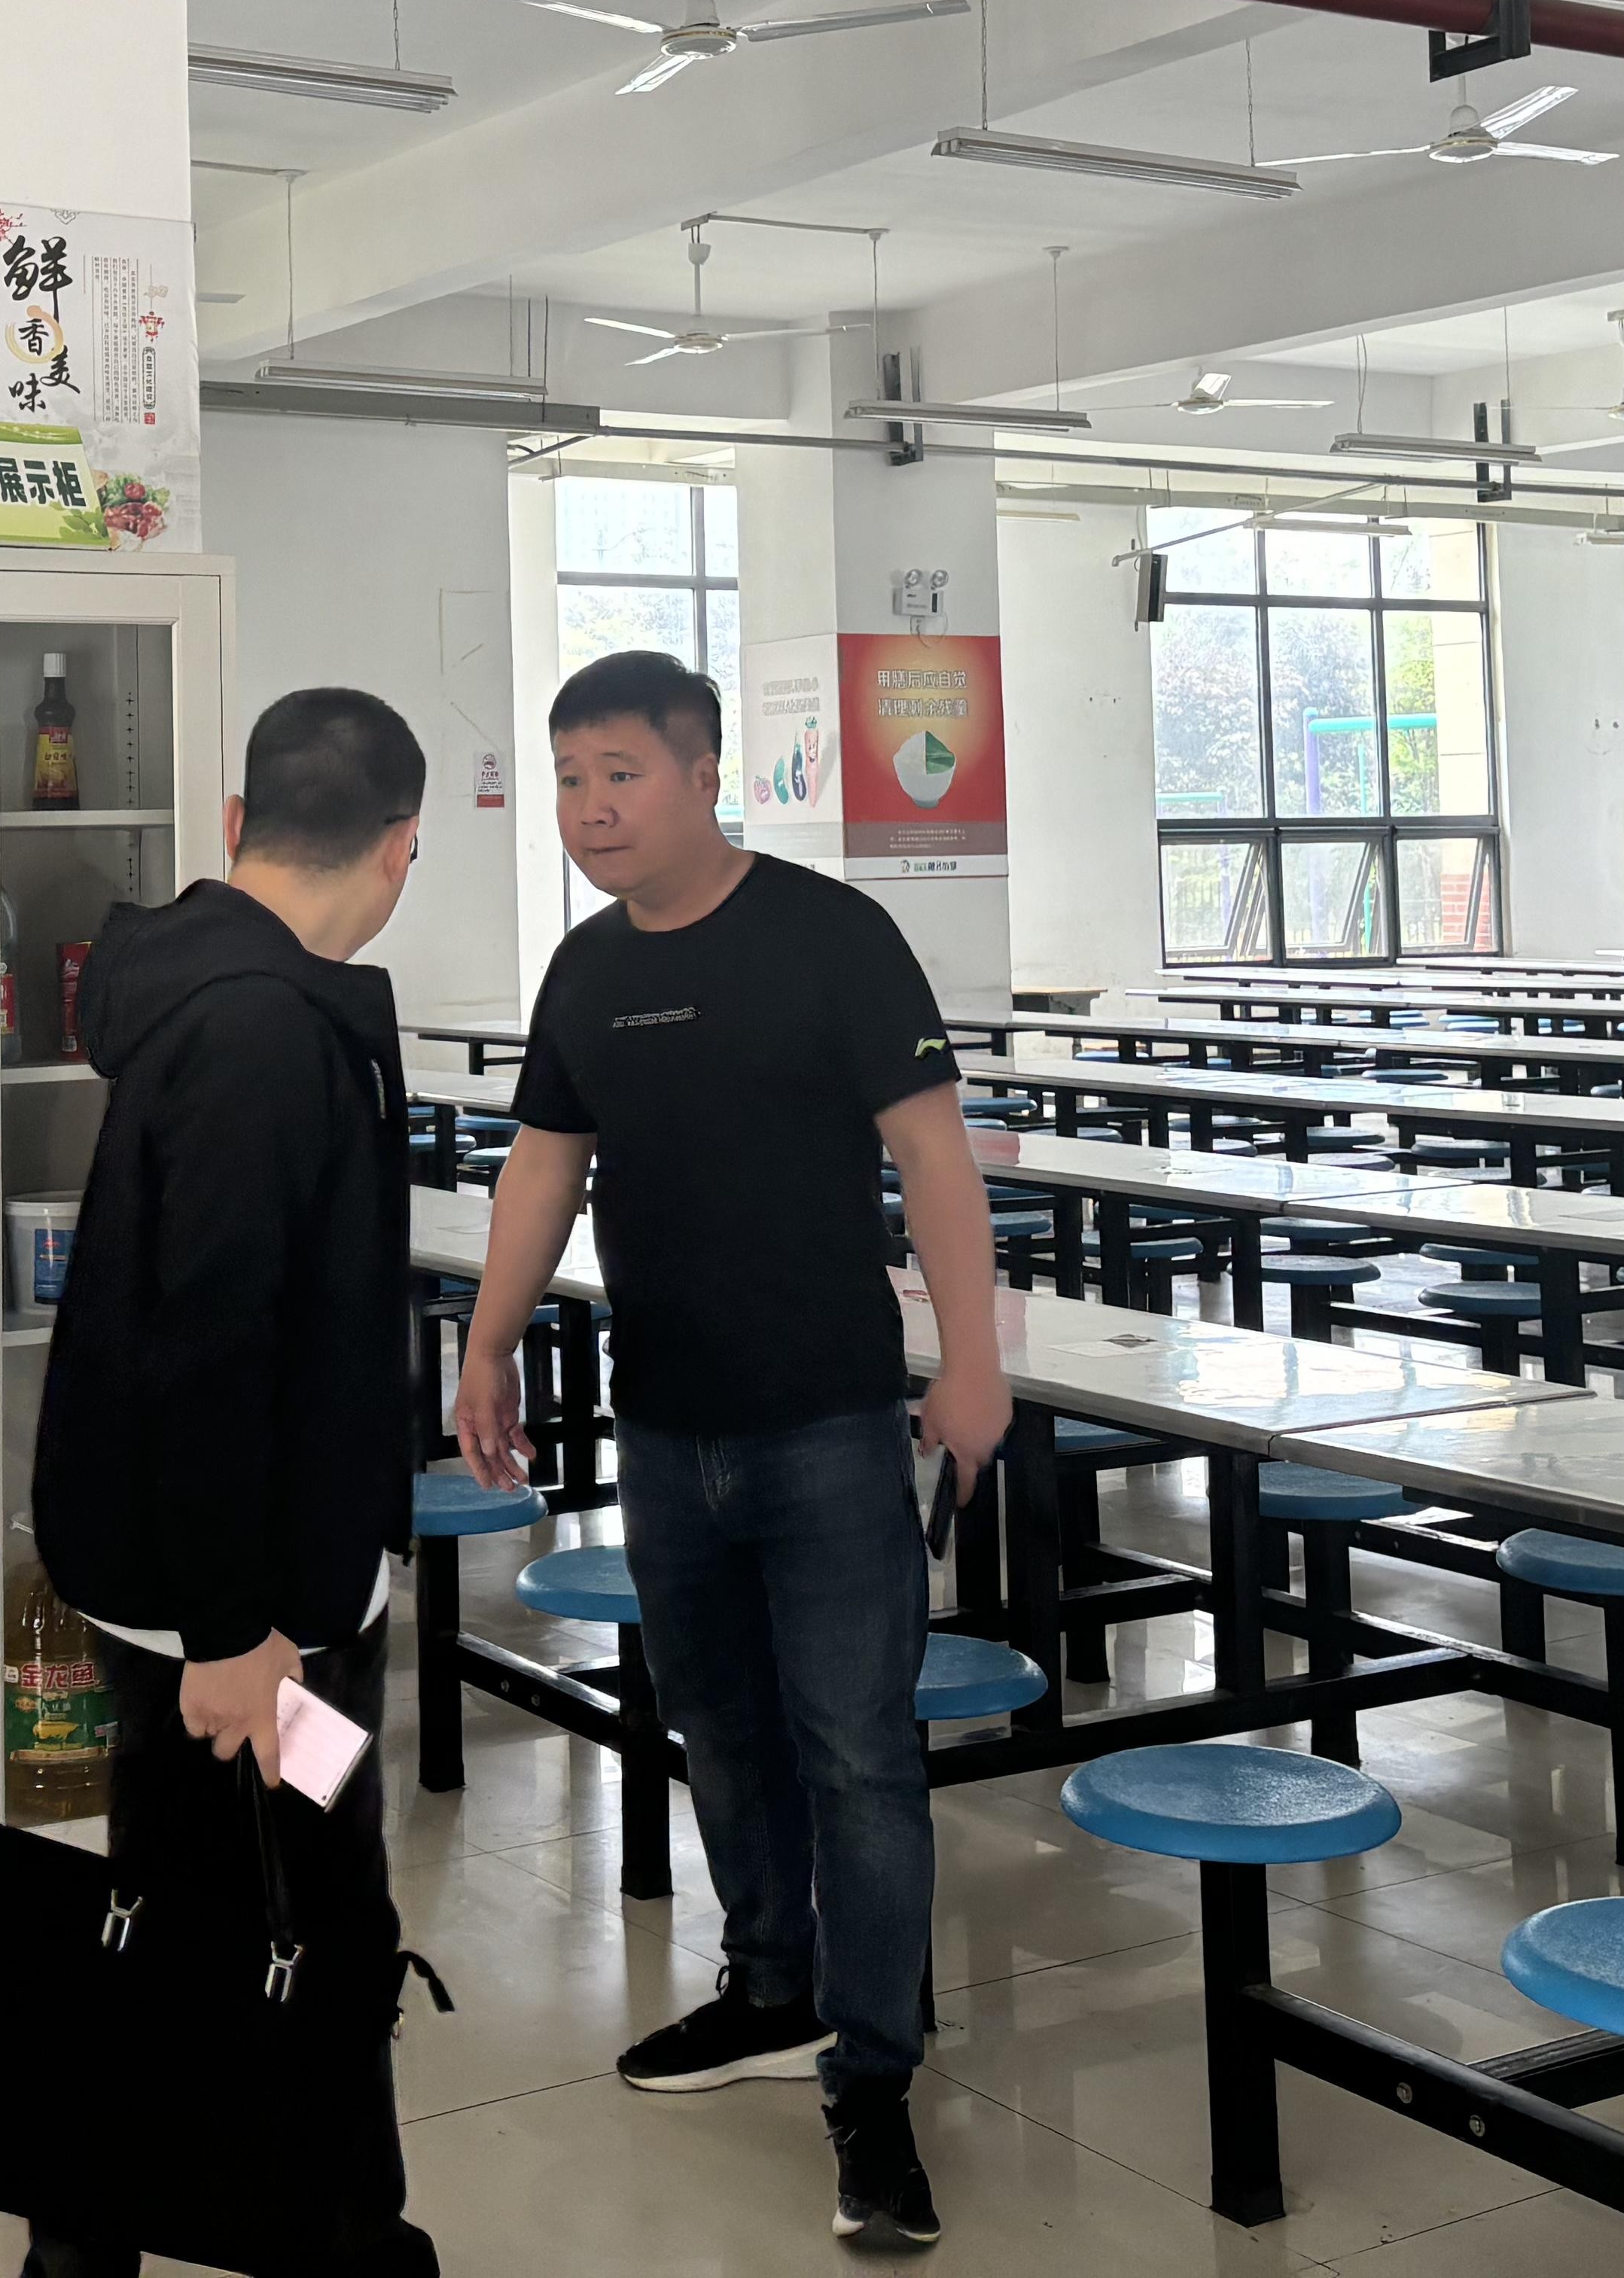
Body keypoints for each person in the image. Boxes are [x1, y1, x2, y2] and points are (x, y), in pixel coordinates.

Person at [456, 650, 1007, 2253]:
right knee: (723, 1730)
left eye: (620, 774)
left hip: (828, 1419)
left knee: (858, 1755)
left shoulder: (832, 936)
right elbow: (542, 1171)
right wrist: (487, 1344)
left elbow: (935, 1160)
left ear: (706, 775)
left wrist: (974, 1365)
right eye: (570, 780)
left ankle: (875, 2082)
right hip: (665, 1424)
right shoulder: (584, 972)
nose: (590, 808)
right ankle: (770, 1987)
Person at [23, 687, 440, 2278]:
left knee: (215, 1905)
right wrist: (231, 1637)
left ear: (235, 825)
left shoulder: (219, 994)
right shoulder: (265, 1030)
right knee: (297, 1915)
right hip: (252, 1614)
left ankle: (172, 2239)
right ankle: (331, 2237)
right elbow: (209, 1348)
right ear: (402, 848)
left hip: (231, 1589)